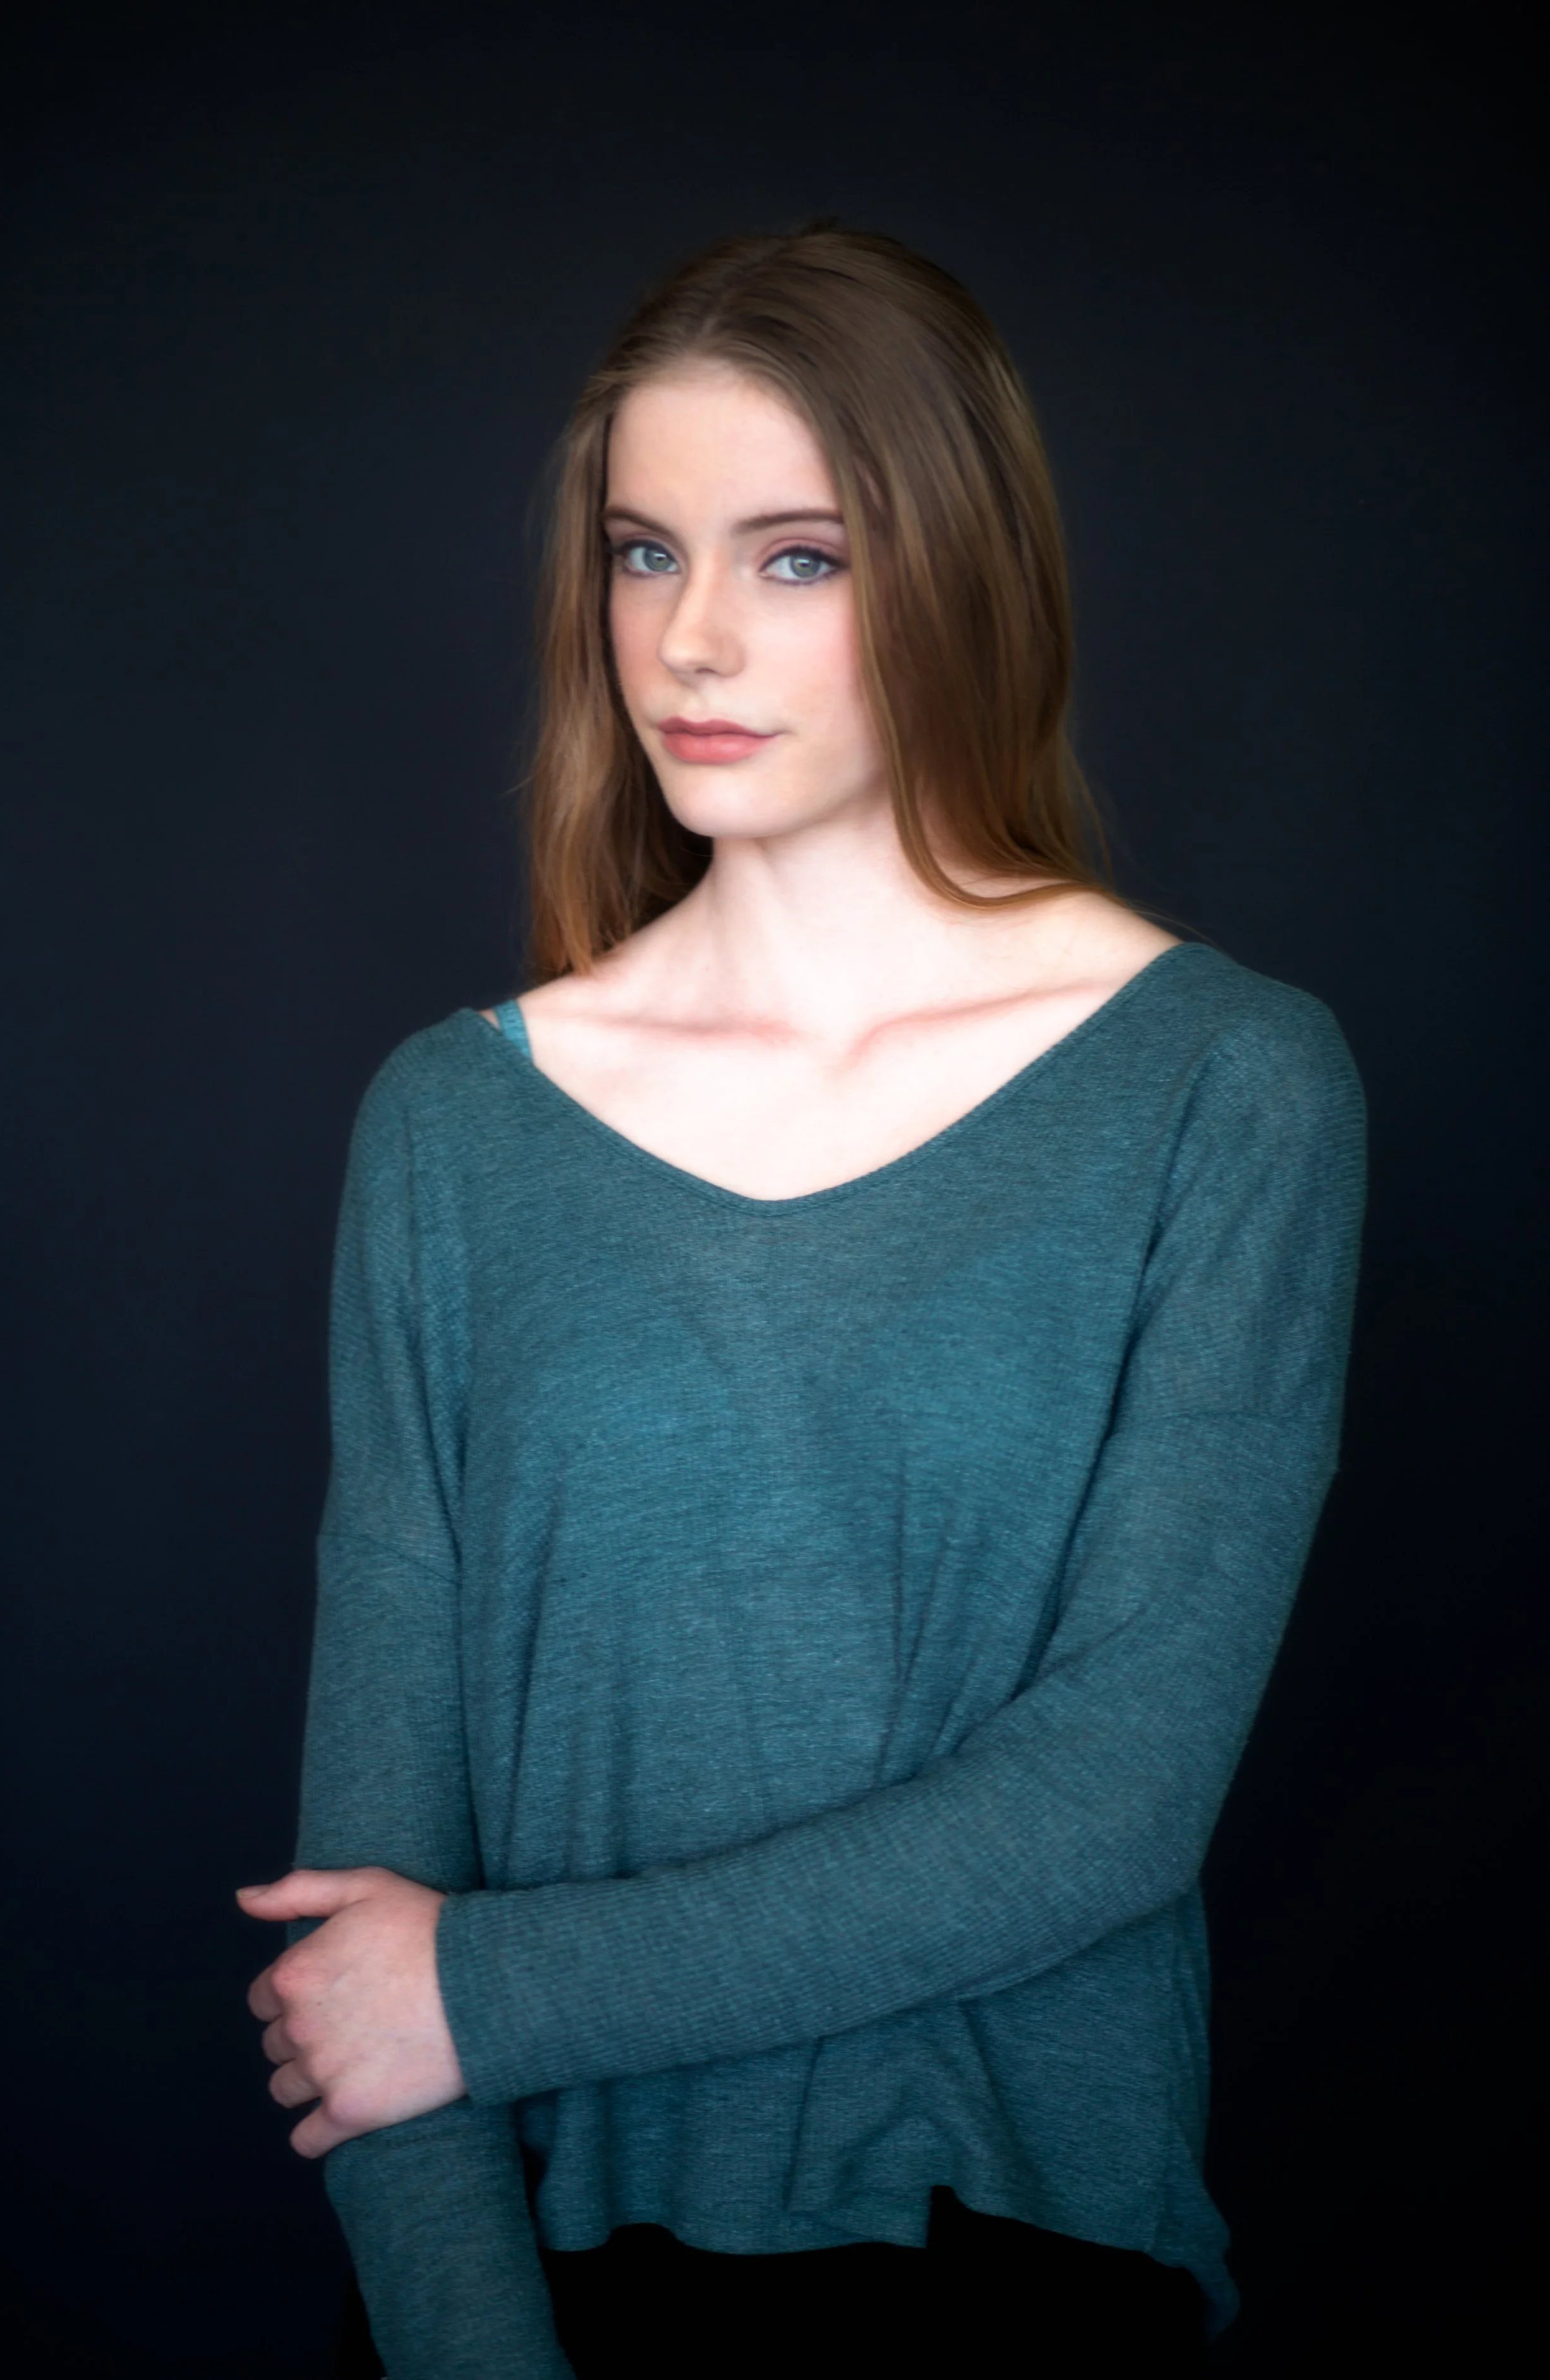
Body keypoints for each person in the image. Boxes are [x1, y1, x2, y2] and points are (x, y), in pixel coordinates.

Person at [237, 223, 1365, 2378]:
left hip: (1018, 2266)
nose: (688, 640)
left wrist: (493, 1990)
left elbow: (1109, 1802)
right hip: (550, 2293)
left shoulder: (1228, 1085)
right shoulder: (455, 1129)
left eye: (795, 559)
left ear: (959, 573)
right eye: (643, 553)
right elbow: (355, 1925)